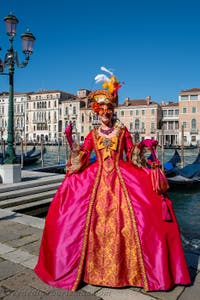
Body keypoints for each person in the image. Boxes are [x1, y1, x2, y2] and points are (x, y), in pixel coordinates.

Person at [34, 67, 191, 292]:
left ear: (112, 111)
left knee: (141, 216)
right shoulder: (93, 134)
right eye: (102, 110)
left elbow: (132, 154)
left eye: (109, 109)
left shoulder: (122, 130)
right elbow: (83, 155)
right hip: (96, 178)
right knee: (75, 218)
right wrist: (70, 140)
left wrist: (144, 145)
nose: (105, 113)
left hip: (121, 176)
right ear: (97, 112)